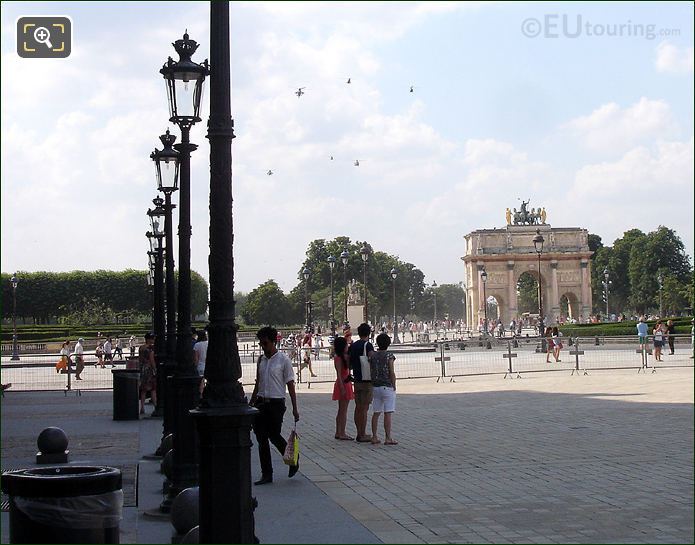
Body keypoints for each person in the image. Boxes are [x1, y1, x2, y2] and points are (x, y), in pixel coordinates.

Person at [249, 326, 300, 485]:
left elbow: (290, 384)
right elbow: (258, 382)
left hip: (276, 403)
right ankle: (267, 474)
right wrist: (251, 402)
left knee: (274, 435)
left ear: (273, 342)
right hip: (261, 403)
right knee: (262, 438)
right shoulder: (261, 360)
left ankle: (293, 459)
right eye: (261, 344)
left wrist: (295, 408)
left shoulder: (283, 360)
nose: (263, 347)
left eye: (265, 343)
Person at [369, 333, 398, 445]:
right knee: (388, 413)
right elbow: (391, 371)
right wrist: (394, 384)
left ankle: (374, 436)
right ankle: (388, 437)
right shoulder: (389, 356)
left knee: (376, 412)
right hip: (387, 386)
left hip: (376, 386)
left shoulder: (373, 356)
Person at [348, 323, 374, 442]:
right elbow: (371, 358)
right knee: (364, 408)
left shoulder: (353, 346)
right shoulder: (367, 345)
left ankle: (358, 432)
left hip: (357, 379)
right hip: (366, 379)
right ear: (368, 333)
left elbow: (348, 361)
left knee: (358, 407)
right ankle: (362, 434)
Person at [332, 336, 354, 440]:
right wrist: (342, 388)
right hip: (344, 383)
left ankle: (338, 431)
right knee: (343, 410)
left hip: (345, 383)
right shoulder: (339, 358)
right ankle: (342, 432)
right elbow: (339, 375)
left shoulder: (341, 356)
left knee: (341, 409)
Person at [138, 333, 157, 415]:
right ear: (149, 339)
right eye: (152, 338)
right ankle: (156, 406)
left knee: (143, 390)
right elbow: (152, 360)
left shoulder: (141, 348)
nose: (153, 340)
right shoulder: (150, 349)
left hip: (142, 369)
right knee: (153, 389)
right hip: (149, 370)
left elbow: (140, 359)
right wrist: (155, 369)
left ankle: (142, 407)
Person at [193, 329, 208, 395]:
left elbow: (196, 358)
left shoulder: (197, 345)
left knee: (201, 383)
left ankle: (201, 396)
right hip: (208, 366)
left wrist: (195, 366)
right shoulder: (208, 343)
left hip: (200, 365)